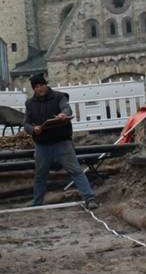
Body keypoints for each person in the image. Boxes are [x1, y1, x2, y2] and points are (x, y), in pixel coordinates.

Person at [23, 72, 98, 209]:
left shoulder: (59, 97)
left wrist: (63, 115)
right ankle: (37, 204)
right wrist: (33, 130)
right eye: (36, 87)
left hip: (62, 142)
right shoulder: (30, 104)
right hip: (42, 145)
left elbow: (66, 108)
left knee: (76, 171)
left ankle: (89, 198)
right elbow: (26, 123)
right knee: (40, 176)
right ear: (33, 89)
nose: (39, 88)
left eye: (41, 85)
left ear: (46, 85)